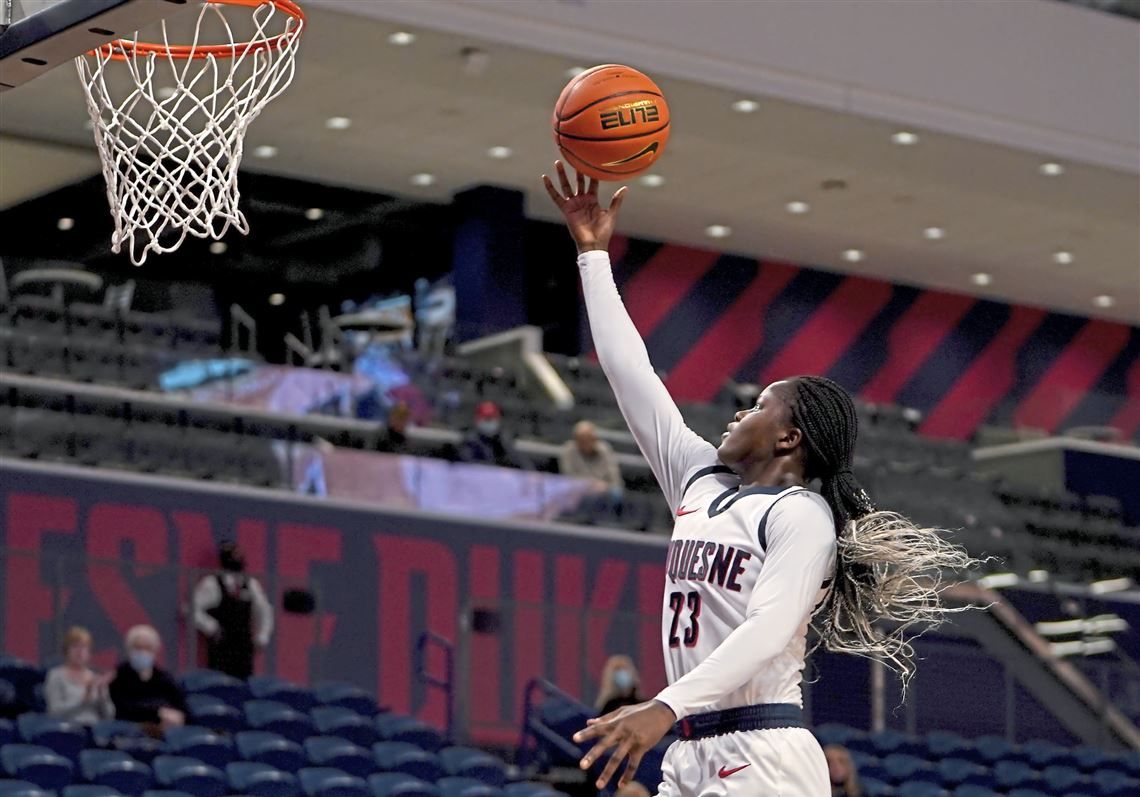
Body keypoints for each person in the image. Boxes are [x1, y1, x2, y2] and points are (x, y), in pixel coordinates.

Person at [542, 162, 975, 795]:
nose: (741, 409)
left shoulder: (801, 516)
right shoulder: (700, 484)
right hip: (689, 752)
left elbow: (768, 629)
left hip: (763, 751)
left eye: (760, 405)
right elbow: (629, 372)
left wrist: (663, 706)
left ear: (789, 437)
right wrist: (593, 256)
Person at [193, 541, 274, 679]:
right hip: (221, 646)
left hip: (244, 647)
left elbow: (265, 611)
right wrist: (211, 627)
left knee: (242, 686)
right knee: (218, 683)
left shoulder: (251, 584)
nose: (238, 558)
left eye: (240, 554)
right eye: (233, 554)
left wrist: (262, 636)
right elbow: (192, 610)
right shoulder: (212, 583)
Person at [109, 625, 186, 732]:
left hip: (163, 731)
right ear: (129, 650)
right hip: (128, 732)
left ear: (155, 651)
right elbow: (123, 707)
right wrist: (158, 711)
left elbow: (182, 707)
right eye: (138, 647)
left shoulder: (164, 678)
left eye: (147, 648)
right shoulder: (120, 676)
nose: (143, 652)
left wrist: (176, 715)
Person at [44, 626, 114, 725]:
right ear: (66, 651)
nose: (80, 652)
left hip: (93, 731)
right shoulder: (55, 676)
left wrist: (102, 694)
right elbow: (54, 712)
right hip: (67, 730)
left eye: (84, 647)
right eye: (75, 647)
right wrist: (83, 700)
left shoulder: (95, 678)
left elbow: (109, 715)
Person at [560, 420, 624, 500]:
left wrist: (604, 486)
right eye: (581, 440)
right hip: (578, 489)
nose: (585, 443)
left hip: (603, 489)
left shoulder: (604, 449)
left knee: (616, 493)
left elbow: (614, 477)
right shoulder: (569, 450)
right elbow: (568, 476)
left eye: (588, 439)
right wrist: (588, 485)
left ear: (594, 439)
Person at [458, 401, 531, 469]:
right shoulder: (470, 441)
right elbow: (469, 464)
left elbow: (519, 460)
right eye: (486, 419)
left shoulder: (502, 440)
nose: (490, 422)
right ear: (477, 419)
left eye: (492, 418)